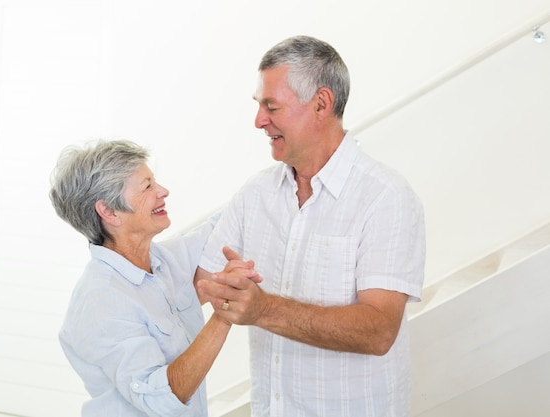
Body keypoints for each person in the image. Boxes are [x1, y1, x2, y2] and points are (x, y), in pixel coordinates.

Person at [196, 35, 426, 416]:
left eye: (272, 106)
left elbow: (379, 329)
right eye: (259, 106)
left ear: (321, 104)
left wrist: (262, 309)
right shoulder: (255, 195)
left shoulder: (386, 197)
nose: (259, 121)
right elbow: (199, 284)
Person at [49, 139, 258, 417]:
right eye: (147, 187)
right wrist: (224, 314)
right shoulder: (103, 300)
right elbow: (161, 399)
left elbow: (224, 224)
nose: (163, 191)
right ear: (109, 211)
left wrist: (279, 178)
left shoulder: (161, 261)